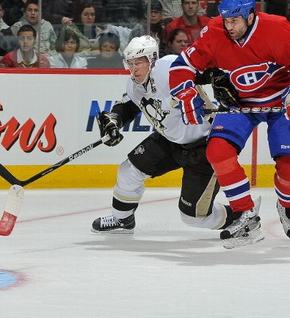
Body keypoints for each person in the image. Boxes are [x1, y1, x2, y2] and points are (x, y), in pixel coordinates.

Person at [168, 0, 290, 248]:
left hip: (281, 102)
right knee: (218, 151)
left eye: (234, 20)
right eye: (225, 19)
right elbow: (183, 65)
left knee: (288, 162)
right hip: (239, 104)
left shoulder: (277, 29)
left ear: (250, 15)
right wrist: (186, 92)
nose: (228, 26)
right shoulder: (214, 32)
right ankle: (245, 215)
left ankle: (288, 208)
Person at [91, 35, 237, 240]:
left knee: (193, 217)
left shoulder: (168, 68)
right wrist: (114, 120)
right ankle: (122, 219)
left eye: (139, 63)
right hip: (169, 141)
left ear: (152, 60)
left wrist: (219, 78)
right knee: (128, 171)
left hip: (203, 147)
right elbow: (128, 106)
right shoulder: (134, 84)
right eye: (130, 63)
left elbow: (204, 70)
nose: (134, 69)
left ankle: (239, 216)